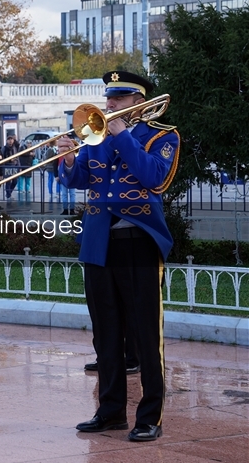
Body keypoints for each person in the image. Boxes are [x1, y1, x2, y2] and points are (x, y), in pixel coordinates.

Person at [58, 70, 178, 442]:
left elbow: (153, 177)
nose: (109, 103)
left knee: (145, 334)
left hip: (138, 241)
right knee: (104, 333)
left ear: (139, 102)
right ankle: (110, 411)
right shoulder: (95, 135)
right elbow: (83, 180)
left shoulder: (163, 136)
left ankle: (150, 416)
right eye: (109, 97)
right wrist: (66, 162)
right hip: (97, 242)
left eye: (120, 98)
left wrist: (122, 134)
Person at [1, 136, 19, 201]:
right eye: (9, 139)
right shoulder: (4, 148)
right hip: (7, 166)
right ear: (7, 141)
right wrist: (8, 160)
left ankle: (9, 193)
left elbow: (17, 157)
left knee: (15, 181)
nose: (10, 141)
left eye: (11, 139)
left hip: (14, 166)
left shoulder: (14, 148)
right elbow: (1, 158)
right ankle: (8, 195)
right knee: (8, 182)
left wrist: (19, 166)